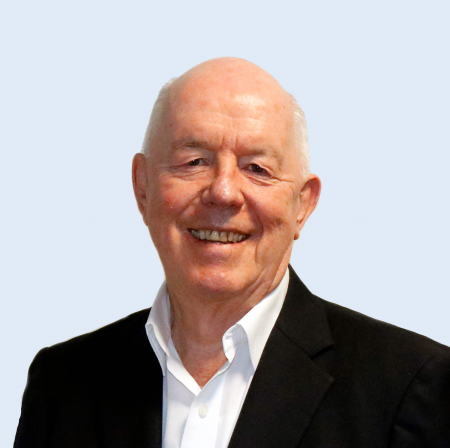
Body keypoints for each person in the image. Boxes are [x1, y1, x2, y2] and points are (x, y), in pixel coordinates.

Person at [14, 58, 450, 448]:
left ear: (302, 205)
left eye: (257, 168)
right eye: (194, 162)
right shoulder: (62, 383)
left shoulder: (411, 387)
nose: (223, 192)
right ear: (142, 187)